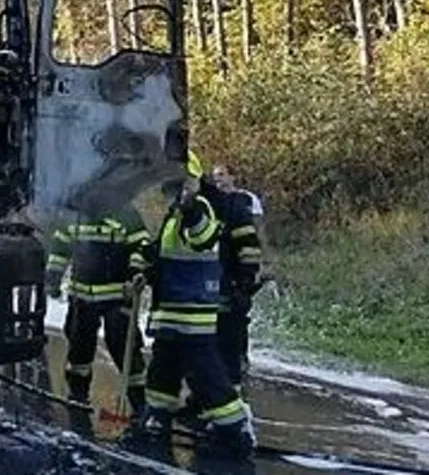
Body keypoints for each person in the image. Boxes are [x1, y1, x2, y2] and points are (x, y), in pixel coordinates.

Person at [126, 151, 257, 458]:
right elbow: (159, 253)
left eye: (178, 183)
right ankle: (157, 419)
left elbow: (204, 238)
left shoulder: (200, 208)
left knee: (206, 375)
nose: (173, 189)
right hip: (170, 314)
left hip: (192, 315)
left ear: (192, 181)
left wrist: (191, 211)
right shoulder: (175, 213)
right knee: (162, 373)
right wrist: (141, 271)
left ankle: (235, 428)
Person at [45, 202, 151, 423]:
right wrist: (53, 276)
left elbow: (141, 245)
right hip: (81, 297)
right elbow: (60, 248)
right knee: (79, 350)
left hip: (117, 296)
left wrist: (135, 272)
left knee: (124, 349)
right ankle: (78, 396)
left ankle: (140, 403)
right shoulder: (72, 214)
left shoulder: (125, 212)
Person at [208, 163, 265, 388]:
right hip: (220, 271)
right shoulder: (213, 203)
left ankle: (240, 358)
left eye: (222, 175)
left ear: (233, 176)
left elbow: (258, 232)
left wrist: (259, 265)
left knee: (238, 315)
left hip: (240, 267)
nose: (219, 180)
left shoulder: (246, 200)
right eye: (215, 177)